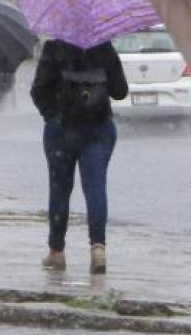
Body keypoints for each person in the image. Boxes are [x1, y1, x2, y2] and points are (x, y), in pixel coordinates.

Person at [30, 39, 128, 274]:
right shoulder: (103, 47)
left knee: (60, 189)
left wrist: (52, 115)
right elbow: (120, 91)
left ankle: (57, 252)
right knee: (95, 187)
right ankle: (98, 248)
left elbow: (38, 90)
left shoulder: (54, 48)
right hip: (98, 127)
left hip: (61, 130)